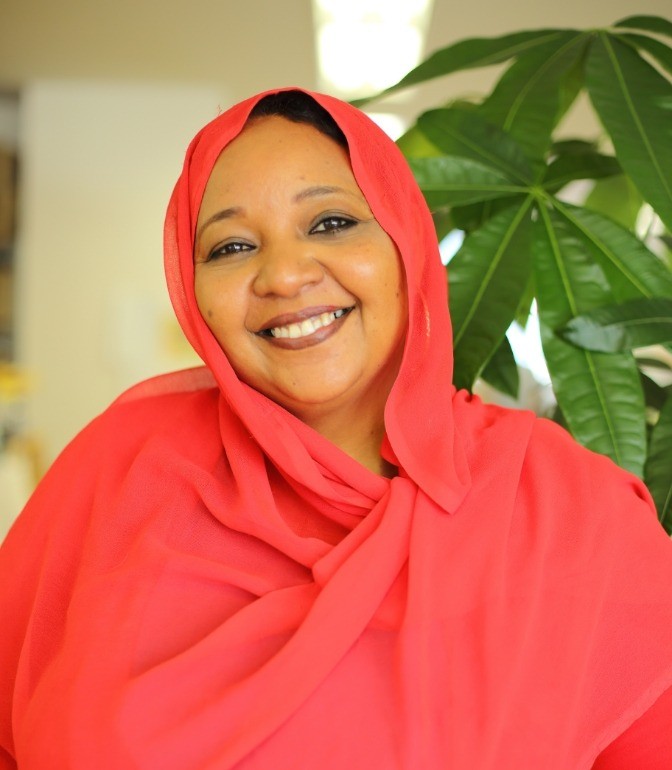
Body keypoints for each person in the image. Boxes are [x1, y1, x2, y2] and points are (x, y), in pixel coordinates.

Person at [1, 88, 672, 769]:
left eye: (330, 223)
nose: (285, 275)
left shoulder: (569, 510)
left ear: (406, 243)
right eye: (232, 245)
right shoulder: (117, 476)